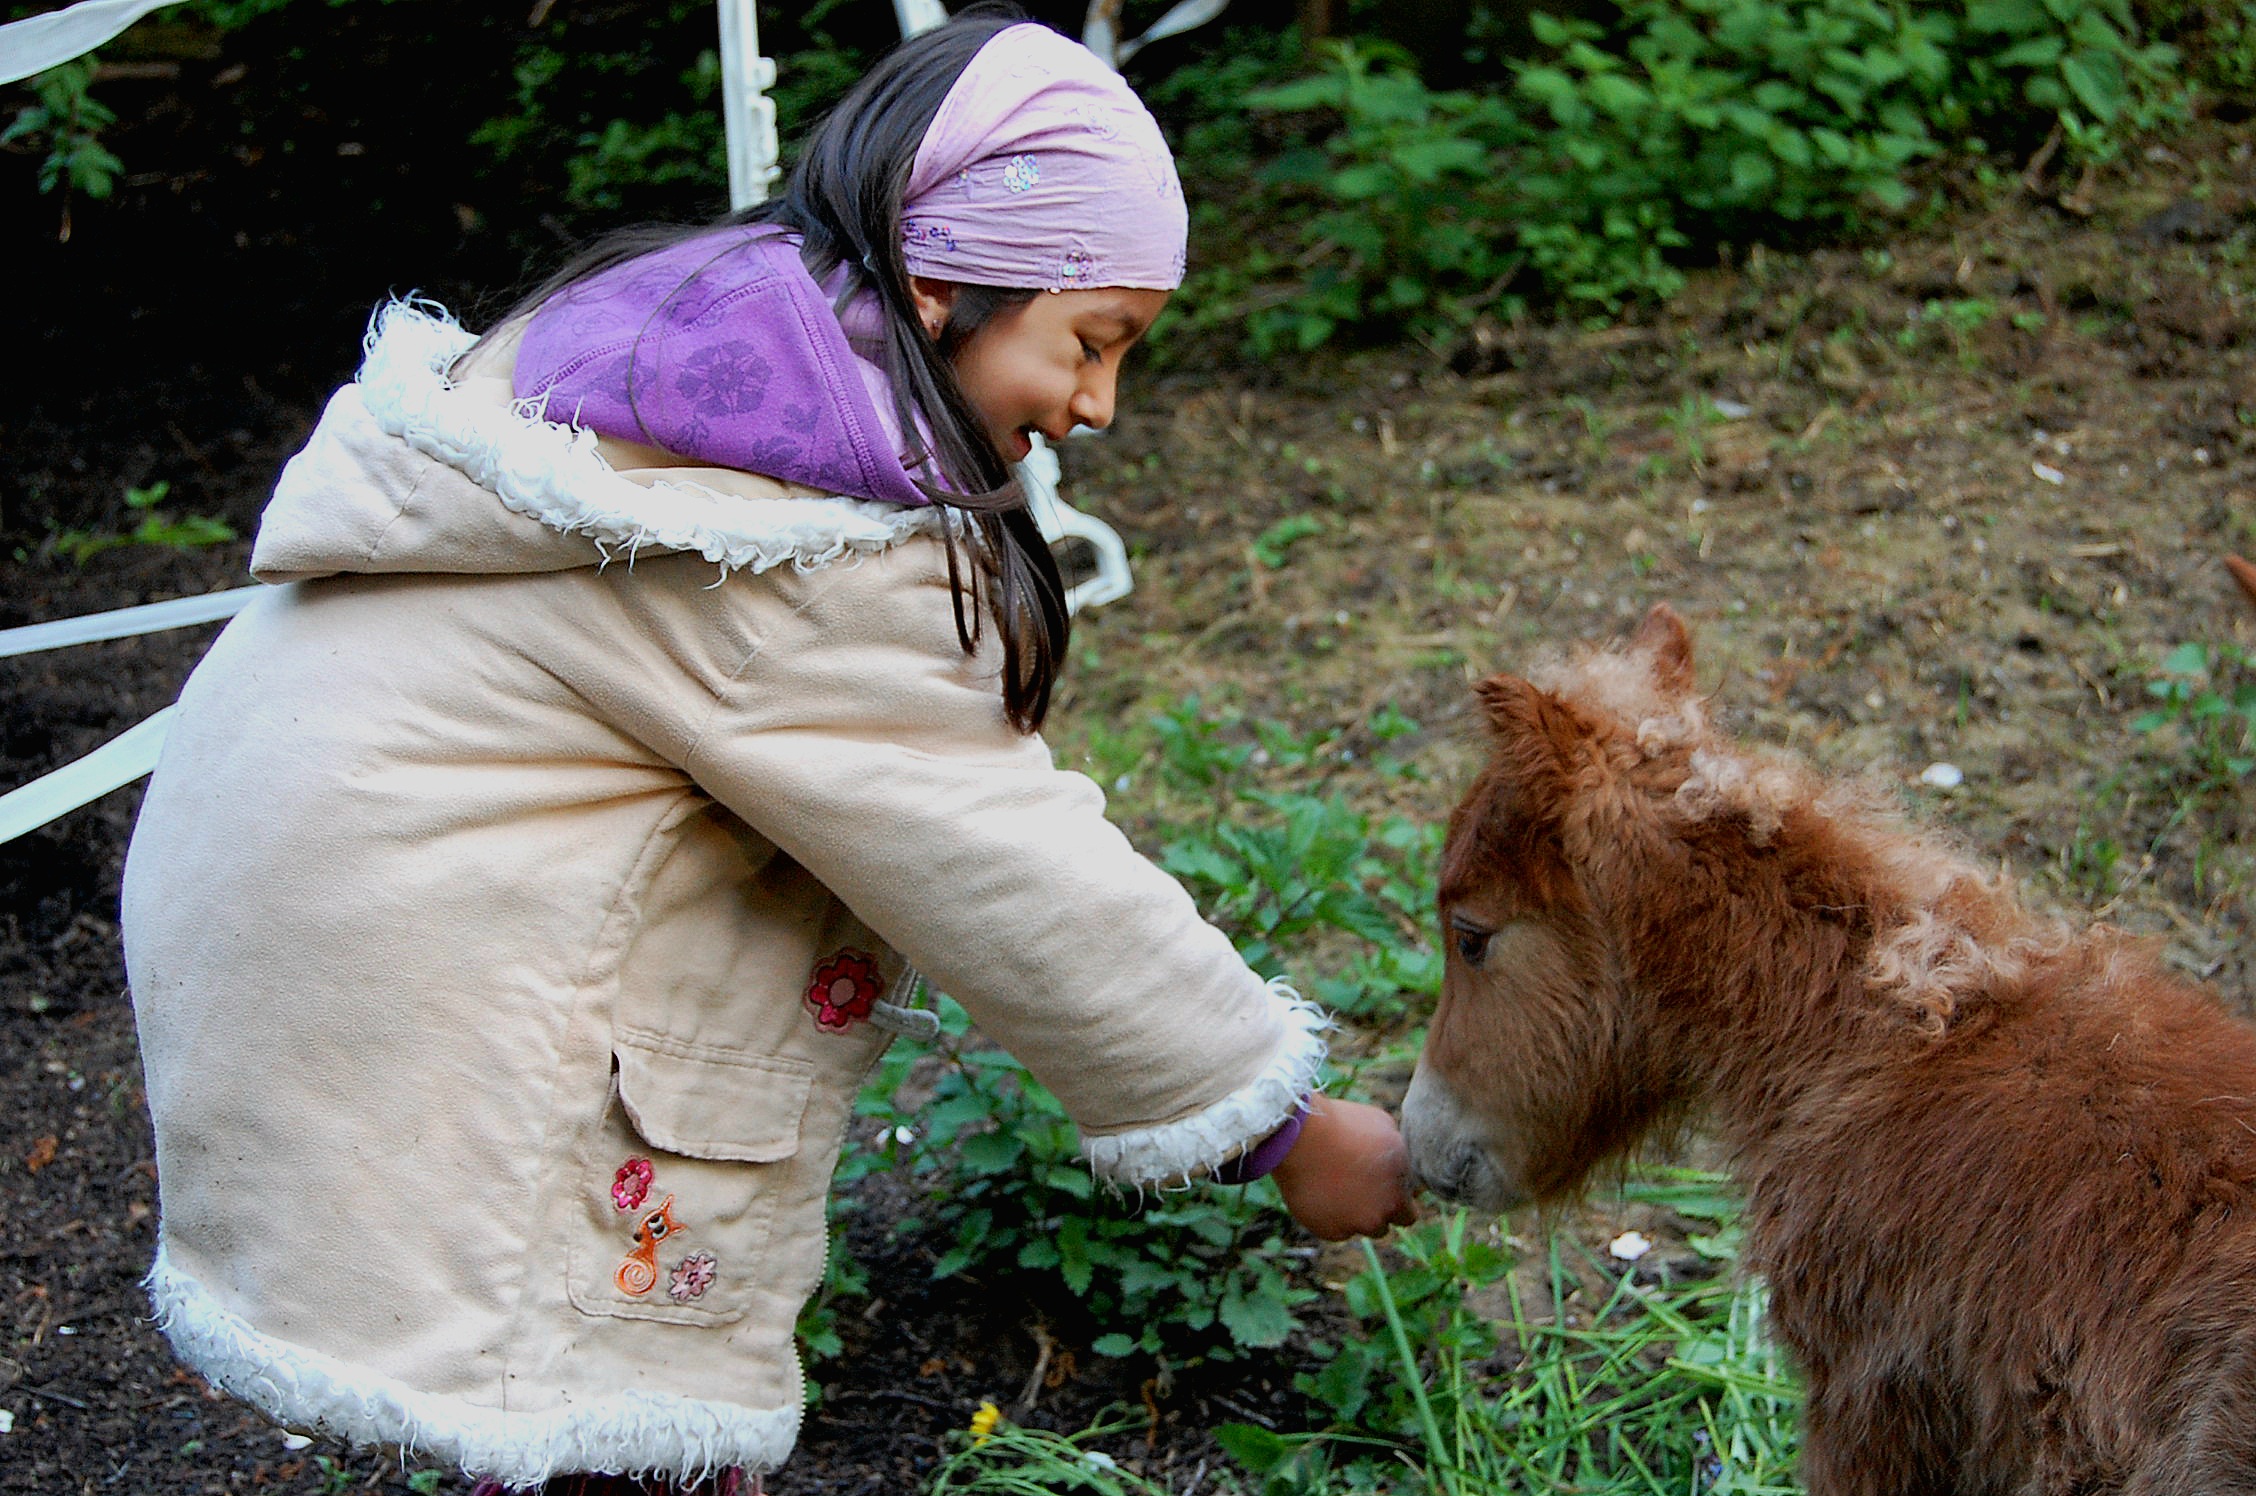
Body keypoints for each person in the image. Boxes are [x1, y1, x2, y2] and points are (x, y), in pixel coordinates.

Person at [119, 10, 1416, 1494]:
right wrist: (1282, 1127)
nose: (1100, 405)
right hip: (430, 966)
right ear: (944, 286)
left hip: (296, 912)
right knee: (575, 1364)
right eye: (1093, 342)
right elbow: (1011, 871)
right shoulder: (792, 543)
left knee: (550, 1371)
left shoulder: (685, 366)